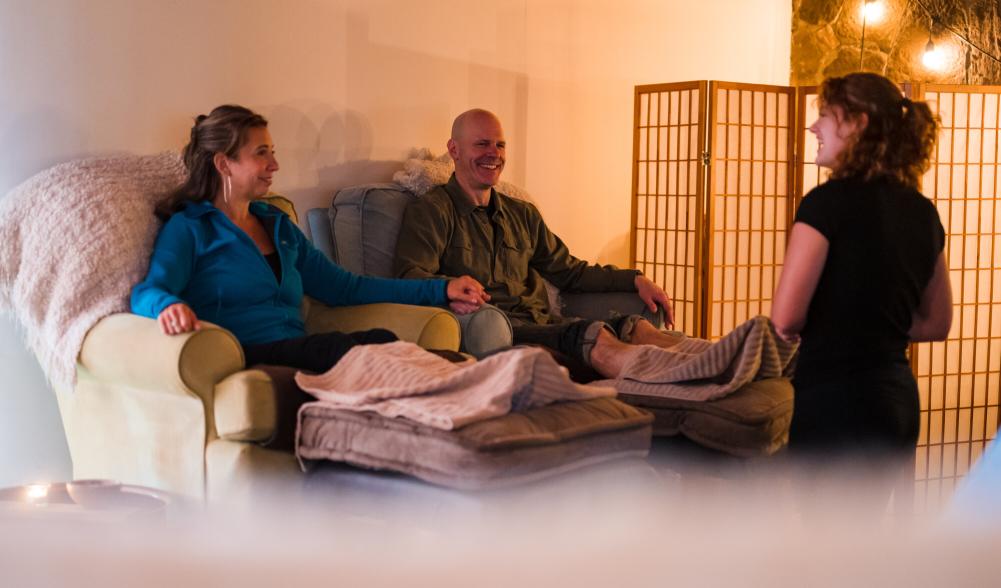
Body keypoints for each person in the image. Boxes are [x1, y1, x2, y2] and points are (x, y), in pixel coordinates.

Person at [131, 105, 488, 373]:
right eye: (261, 153)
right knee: (375, 347)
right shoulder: (191, 227)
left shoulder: (278, 227)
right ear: (224, 164)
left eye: (273, 152)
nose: (274, 165)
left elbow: (346, 288)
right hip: (246, 356)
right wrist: (167, 307)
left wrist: (441, 289)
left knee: (411, 353)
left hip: (298, 349)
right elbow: (147, 291)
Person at [393, 108, 682, 380]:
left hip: (546, 324)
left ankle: (700, 363)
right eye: (482, 144)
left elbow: (570, 272)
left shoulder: (522, 214)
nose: (493, 154)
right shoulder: (432, 211)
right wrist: (449, 288)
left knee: (635, 327)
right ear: (454, 149)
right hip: (507, 331)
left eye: (500, 145)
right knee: (594, 336)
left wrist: (635, 279)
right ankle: (669, 379)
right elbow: (409, 277)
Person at [771, 73, 952, 472]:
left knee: (826, 534)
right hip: (897, 400)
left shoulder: (824, 204)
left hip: (836, 402)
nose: (813, 126)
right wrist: (875, 328)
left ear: (859, 124)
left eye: (825, 116)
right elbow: (937, 323)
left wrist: (836, 328)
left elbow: (785, 317)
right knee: (869, 533)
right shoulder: (923, 212)